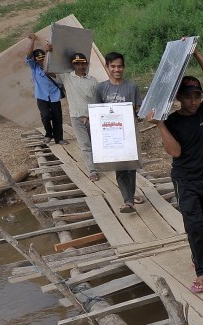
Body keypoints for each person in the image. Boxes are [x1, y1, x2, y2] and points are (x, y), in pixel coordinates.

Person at [146, 45, 203, 294]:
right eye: (188, 97)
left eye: (197, 96)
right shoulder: (173, 121)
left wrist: (196, 54)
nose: (194, 101)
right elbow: (175, 152)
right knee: (195, 225)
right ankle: (202, 271)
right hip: (185, 181)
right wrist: (159, 125)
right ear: (178, 98)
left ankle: (201, 258)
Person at [95, 51, 142, 214]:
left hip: (129, 134)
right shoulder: (100, 88)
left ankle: (130, 196)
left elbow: (138, 109)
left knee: (131, 168)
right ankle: (128, 201)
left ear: (124, 67)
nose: (117, 69)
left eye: (120, 66)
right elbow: (97, 114)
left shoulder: (132, 87)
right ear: (107, 67)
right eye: (113, 66)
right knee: (121, 169)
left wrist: (141, 113)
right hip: (112, 136)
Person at [48, 47, 100, 180]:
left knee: (96, 143)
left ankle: (101, 164)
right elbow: (47, 70)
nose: (80, 66)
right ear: (73, 64)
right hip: (77, 117)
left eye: (83, 63)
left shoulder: (93, 80)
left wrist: (92, 115)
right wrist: (49, 52)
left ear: (86, 64)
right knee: (85, 145)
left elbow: (97, 100)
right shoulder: (66, 77)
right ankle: (92, 170)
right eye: (77, 63)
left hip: (92, 117)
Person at [24, 33, 66, 144]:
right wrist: (32, 40)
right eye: (39, 59)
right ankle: (48, 134)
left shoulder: (52, 65)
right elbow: (28, 55)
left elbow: (58, 76)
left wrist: (49, 50)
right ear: (35, 60)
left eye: (43, 58)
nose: (41, 60)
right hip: (42, 96)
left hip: (54, 95)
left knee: (57, 117)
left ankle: (59, 138)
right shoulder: (35, 68)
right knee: (46, 116)